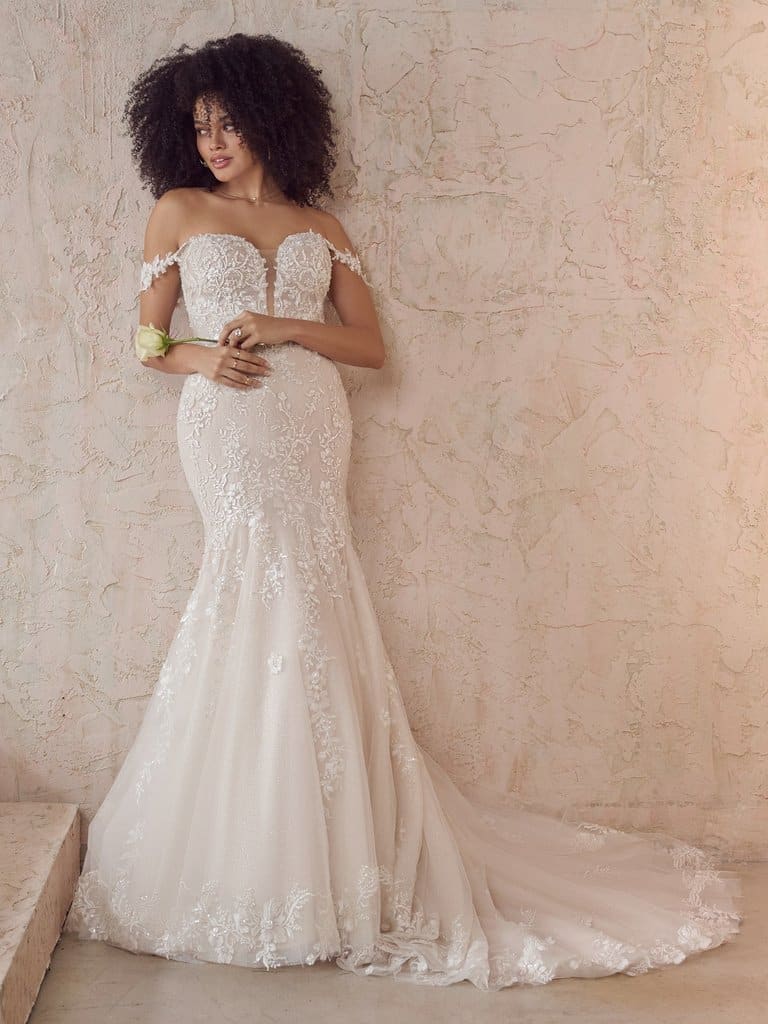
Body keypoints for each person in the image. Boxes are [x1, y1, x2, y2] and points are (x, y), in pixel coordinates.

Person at [64, 32, 743, 990]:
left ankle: (333, 855)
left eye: (229, 122)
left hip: (309, 423)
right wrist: (201, 356)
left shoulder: (320, 223)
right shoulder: (177, 209)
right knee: (248, 593)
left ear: (273, 117)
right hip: (226, 427)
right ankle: (252, 853)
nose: (214, 142)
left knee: (314, 600)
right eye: (201, 126)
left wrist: (286, 328)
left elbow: (370, 345)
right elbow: (143, 339)